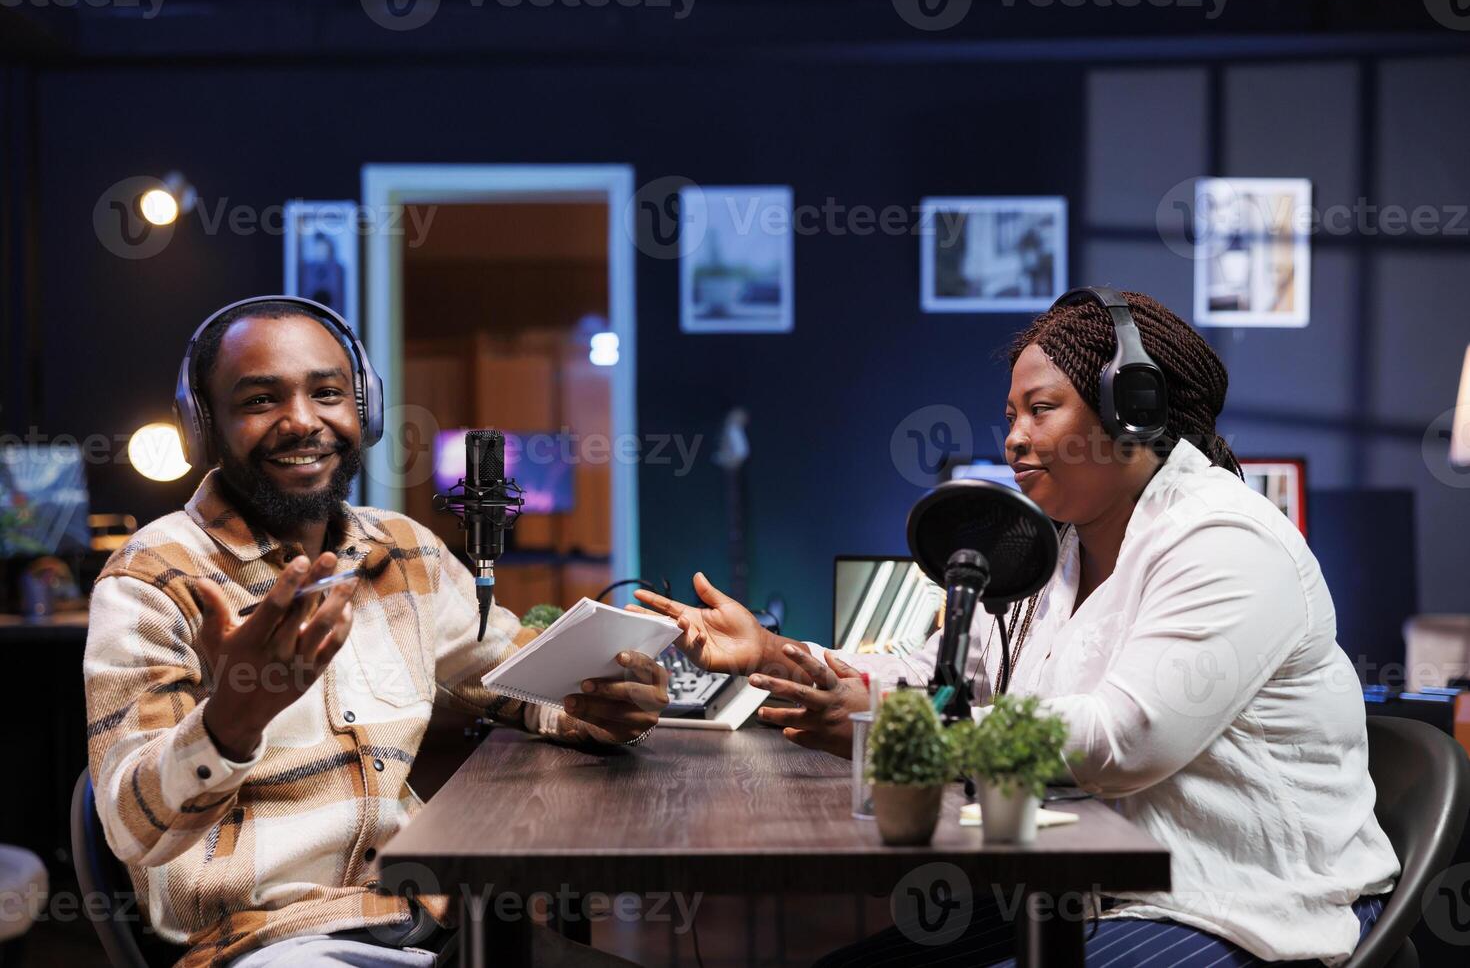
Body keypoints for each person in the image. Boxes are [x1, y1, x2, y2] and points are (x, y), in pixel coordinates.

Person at [633, 290, 1399, 966]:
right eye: (1010, 416)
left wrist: (903, 734)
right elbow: (937, 677)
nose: (1013, 439)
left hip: (1236, 905)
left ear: (1131, 411)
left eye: (1041, 409)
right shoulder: (1055, 552)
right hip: (1078, 892)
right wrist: (779, 654)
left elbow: (1126, 739)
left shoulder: (1227, 542)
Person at [84, 297, 665, 968]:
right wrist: (230, 724)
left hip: (435, 923)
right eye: (259, 400)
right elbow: (129, 826)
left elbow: (524, 679)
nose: (302, 421)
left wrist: (609, 700)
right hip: (278, 945)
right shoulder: (151, 579)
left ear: (365, 409)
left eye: (327, 393)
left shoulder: (401, 551)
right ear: (203, 425)